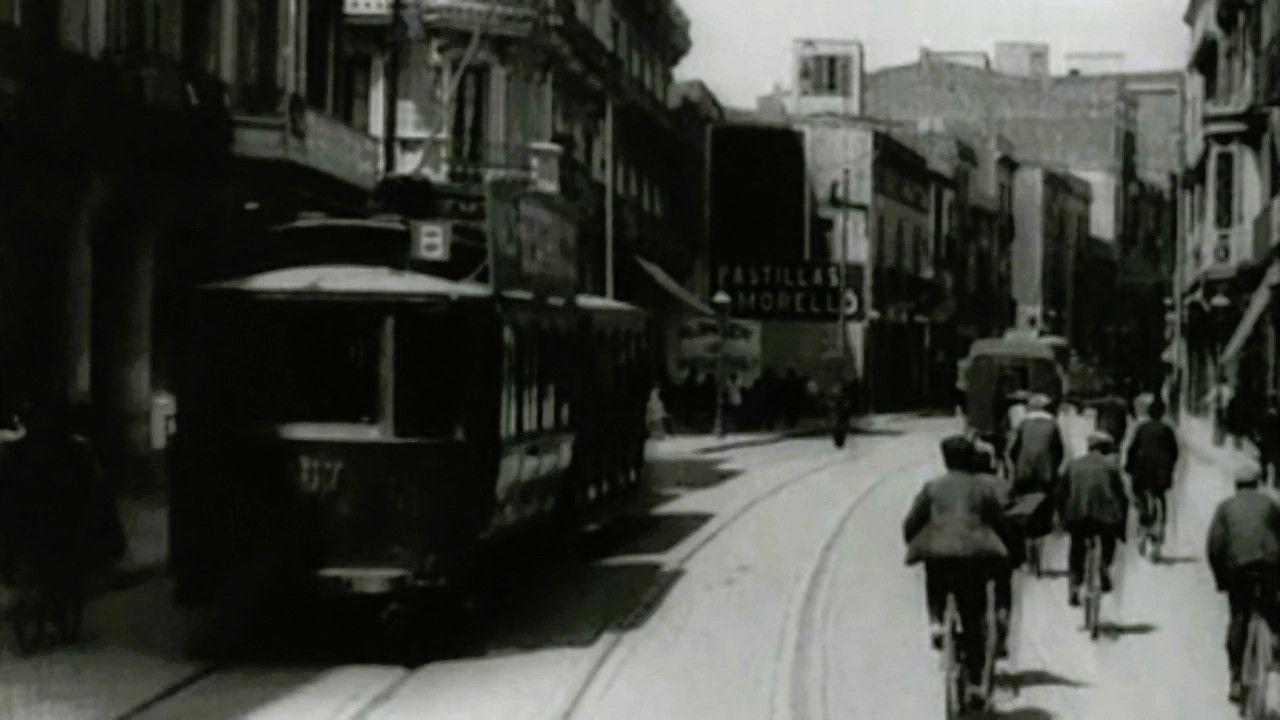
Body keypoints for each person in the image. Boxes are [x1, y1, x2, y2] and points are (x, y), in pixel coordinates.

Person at [903, 435, 1012, 705]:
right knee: (973, 615)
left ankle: (937, 620)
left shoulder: (932, 488)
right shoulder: (982, 489)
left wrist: (915, 539)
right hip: (974, 557)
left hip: (940, 555)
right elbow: (1000, 522)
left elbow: (912, 523)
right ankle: (975, 680)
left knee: (934, 571)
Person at [1206, 463, 1280, 704]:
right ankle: (1276, 650)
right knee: (1272, 609)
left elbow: (1215, 545)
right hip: (1269, 566)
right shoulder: (1270, 505)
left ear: (1236, 485)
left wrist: (1221, 578)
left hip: (1238, 569)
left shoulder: (1225, 507)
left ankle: (1237, 678)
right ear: (1258, 483)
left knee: (1239, 617)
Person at [1058, 431, 1129, 606]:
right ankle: (1104, 565)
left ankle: (1074, 584)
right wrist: (1122, 527)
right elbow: (1122, 498)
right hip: (1105, 518)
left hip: (1078, 516)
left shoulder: (1074, 465)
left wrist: (1063, 518)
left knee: (1076, 546)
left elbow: (1060, 494)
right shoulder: (1111, 467)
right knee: (1109, 540)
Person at [1126, 398, 1180, 547]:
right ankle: (1160, 525)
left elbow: (1132, 449)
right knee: (1160, 496)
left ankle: (1144, 523)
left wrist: (1129, 467)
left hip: (1142, 472)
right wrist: (1170, 467)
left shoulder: (1142, 428)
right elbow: (1175, 452)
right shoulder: (1167, 430)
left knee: (1141, 496)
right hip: (1161, 474)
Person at [1009, 393, 1065, 498]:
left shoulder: (1023, 424)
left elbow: (1013, 450)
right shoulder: (1053, 424)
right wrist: (1053, 468)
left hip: (1023, 472)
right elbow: (1059, 451)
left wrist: (1017, 466)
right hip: (1045, 475)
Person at [1089, 383, 1131, 452]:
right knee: (1115, 448)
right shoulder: (1123, 402)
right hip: (1118, 428)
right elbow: (1125, 417)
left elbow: (1091, 403)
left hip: (1105, 428)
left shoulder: (1104, 401)